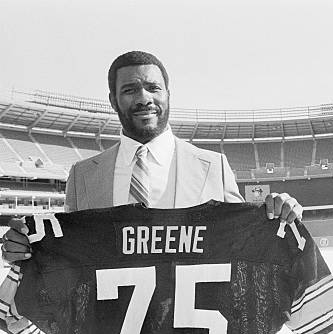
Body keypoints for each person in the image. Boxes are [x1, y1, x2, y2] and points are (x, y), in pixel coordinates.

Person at [1, 51, 303, 263]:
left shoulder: (213, 167)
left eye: (153, 87)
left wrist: (282, 215)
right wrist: (25, 249)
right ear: (113, 100)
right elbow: (68, 254)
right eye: (130, 89)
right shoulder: (83, 176)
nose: (144, 97)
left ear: (168, 94)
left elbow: (242, 243)